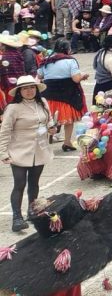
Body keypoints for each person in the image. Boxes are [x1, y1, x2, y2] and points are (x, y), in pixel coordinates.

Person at [0, 75, 56, 231]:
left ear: (36, 89)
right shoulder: (13, 108)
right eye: (25, 88)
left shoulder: (42, 102)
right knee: (19, 183)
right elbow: (5, 131)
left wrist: (52, 128)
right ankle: (17, 218)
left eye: (32, 87)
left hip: (40, 148)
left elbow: (49, 120)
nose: (29, 91)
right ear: (19, 91)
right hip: (19, 149)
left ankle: (33, 211)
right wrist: (3, 152)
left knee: (34, 183)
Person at [38, 39, 87, 152]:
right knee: (68, 120)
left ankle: (44, 143)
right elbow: (76, 79)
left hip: (49, 94)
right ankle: (67, 142)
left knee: (48, 119)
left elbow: (40, 76)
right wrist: (83, 76)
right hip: (67, 94)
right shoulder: (70, 61)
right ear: (67, 49)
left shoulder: (46, 61)